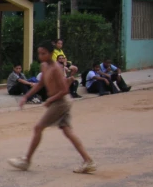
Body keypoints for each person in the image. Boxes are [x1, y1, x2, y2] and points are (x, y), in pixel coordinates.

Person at [8, 44, 96, 174]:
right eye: (39, 53)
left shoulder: (56, 68)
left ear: (50, 53)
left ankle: (26, 161)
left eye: (44, 53)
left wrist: (50, 99)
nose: (41, 56)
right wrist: (26, 96)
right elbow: (41, 84)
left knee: (38, 127)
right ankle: (88, 161)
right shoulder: (44, 66)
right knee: (67, 131)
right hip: (60, 101)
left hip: (60, 102)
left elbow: (64, 90)